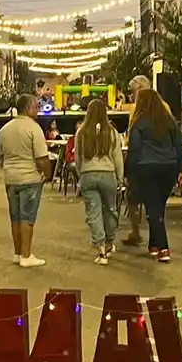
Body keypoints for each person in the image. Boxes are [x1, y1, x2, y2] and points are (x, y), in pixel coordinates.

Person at [125, 89, 182, 263]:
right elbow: (179, 145)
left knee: (153, 208)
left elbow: (134, 149)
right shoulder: (169, 121)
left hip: (146, 167)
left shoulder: (139, 122)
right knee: (158, 206)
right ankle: (153, 244)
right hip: (169, 166)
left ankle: (163, 247)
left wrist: (129, 173)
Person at [0, 93, 51, 268]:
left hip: (10, 179)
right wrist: (47, 175)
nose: (38, 110)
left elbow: (0, 157)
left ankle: (18, 252)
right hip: (30, 178)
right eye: (36, 106)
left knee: (15, 217)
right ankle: (27, 256)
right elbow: (42, 158)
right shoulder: (34, 129)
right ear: (28, 108)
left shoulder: (4, 130)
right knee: (27, 218)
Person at [75, 99, 124, 264]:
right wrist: (120, 177)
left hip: (88, 175)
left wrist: (81, 175)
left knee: (94, 213)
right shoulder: (111, 132)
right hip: (108, 174)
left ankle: (101, 250)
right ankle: (110, 241)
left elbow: (77, 158)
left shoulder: (81, 132)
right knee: (110, 210)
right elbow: (118, 158)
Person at [122, 74, 153, 247]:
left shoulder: (140, 111)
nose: (132, 95)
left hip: (142, 160)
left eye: (134, 91)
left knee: (134, 197)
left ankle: (137, 232)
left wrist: (128, 167)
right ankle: (143, 233)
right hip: (155, 159)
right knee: (144, 198)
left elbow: (134, 140)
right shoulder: (161, 107)